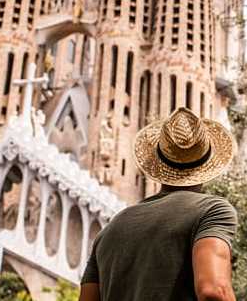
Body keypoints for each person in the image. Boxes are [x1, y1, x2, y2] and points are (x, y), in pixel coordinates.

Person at [79, 107, 238, 301]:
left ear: (158, 161)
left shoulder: (110, 230)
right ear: (206, 163)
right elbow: (214, 291)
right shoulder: (212, 210)